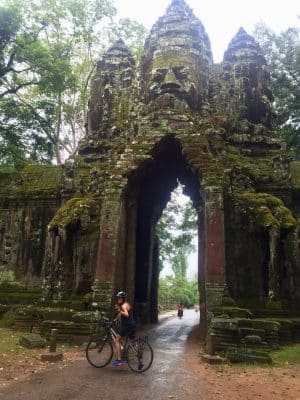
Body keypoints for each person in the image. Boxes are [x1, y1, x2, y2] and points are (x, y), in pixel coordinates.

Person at [112, 291, 136, 367]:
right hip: (132, 324)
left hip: (127, 325)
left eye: (120, 298)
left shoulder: (123, 306)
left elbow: (126, 314)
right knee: (133, 342)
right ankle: (139, 356)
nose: (118, 299)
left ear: (123, 299)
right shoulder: (126, 304)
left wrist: (119, 310)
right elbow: (121, 313)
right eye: (118, 297)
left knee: (117, 340)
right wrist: (116, 319)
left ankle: (119, 360)